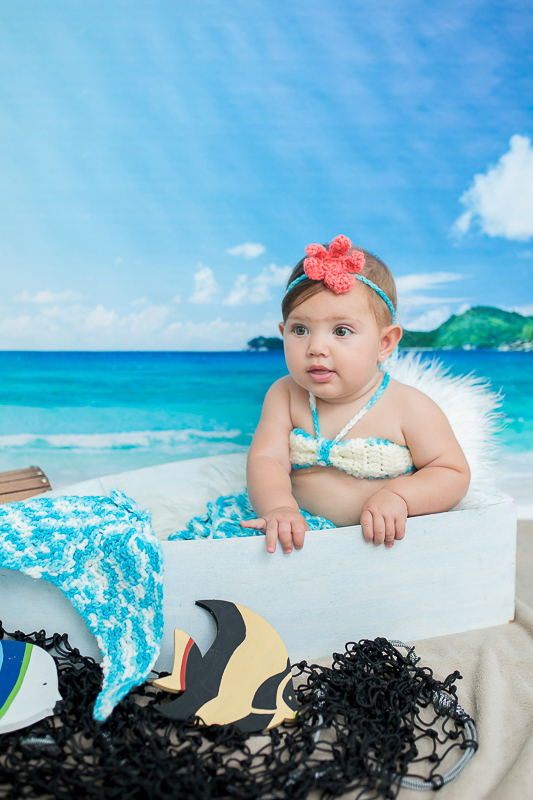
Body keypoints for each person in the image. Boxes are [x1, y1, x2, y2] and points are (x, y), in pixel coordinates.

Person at [240, 235, 470, 554]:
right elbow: (266, 459)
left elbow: (452, 472)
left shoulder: (409, 407)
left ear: (384, 343)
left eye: (341, 331)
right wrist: (279, 507)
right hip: (298, 538)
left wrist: (400, 496)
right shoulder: (285, 395)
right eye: (300, 330)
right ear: (283, 333)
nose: (316, 347)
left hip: (379, 546)